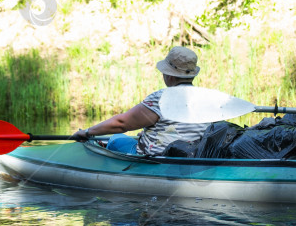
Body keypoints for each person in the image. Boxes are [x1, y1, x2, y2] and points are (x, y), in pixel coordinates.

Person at [71, 47, 209, 155]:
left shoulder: (161, 98)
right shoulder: (207, 99)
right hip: (190, 156)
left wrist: (87, 132)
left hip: (158, 158)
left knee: (116, 138)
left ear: (169, 75)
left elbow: (121, 123)